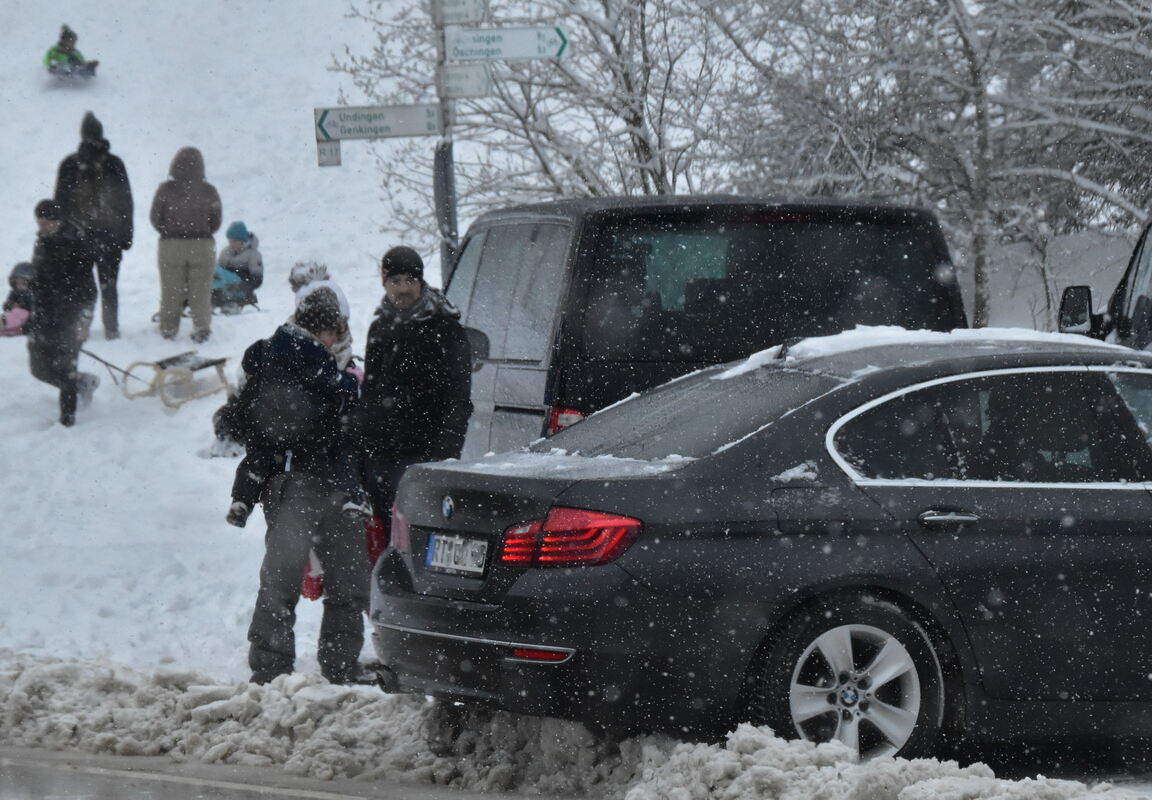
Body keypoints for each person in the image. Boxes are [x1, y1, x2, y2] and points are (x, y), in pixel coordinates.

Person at [234, 301, 370, 686]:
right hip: (309, 483)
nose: (338, 343)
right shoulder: (303, 365)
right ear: (324, 333)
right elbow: (317, 422)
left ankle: (273, 666)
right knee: (336, 578)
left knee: (288, 580)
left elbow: (248, 423)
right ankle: (335, 663)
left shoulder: (280, 365)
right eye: (336, 335)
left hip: (305, 482)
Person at [359, 246, 472, 527]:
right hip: (384, 457)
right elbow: (371, 395)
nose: (404, 289)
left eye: (411, 281)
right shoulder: (379, 330)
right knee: (387, 535)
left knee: (420, 532)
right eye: (396, 282)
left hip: (427, 452)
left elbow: (459, 396)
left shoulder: (445, 329)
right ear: (384, 282)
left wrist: (445, 451)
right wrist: (366, 452)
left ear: (421, 283)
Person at [54, 112, 134, 340]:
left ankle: (83, 327)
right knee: (108, 285)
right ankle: (110, 328)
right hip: (108, 236)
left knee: (82, 286)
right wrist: (126, 235)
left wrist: (63, 234)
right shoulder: (113, 163)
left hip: (81, 236)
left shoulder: (71, 164)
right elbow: (126, 203)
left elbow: (60, 203)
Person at [25, 200, 99, 427]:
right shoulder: (42, 241)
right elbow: (37, 279)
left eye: (47, 222)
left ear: (58, 221)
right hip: (44, 315)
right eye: (39, 222)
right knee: (39, 368)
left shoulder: (76, 244)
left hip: (71, 315)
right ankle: (82, 384)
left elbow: (89, 291)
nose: (42, 226)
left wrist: (83, 322)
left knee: (66, 367)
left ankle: (67, 421)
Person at [150, 147, 221, 342]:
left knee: (171, 290)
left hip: (171, 245)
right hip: (202, 245)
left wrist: (169, 231)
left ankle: (168, 329)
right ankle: (201, 328)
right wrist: (200, 232)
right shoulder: (209, 191)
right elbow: (216, 221)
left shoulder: (165, 190)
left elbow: (155, 218)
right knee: (201, 290)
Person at [288, 261, 352, 369]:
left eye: (339, 330)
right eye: (331, 332)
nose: (335, 337)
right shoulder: (295, 348)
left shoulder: (341, 336)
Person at [213, 221, 263, 313]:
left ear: (242, 239)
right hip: (225, 285)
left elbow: (257, 279)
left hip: (240, 285)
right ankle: (205, 300)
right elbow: (217, 270)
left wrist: (243, 287)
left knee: (218, 274)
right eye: (229, 241)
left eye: (234, 241)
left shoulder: (253, 254)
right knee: (211, 272)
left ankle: (229, 303)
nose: (231, 244)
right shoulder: (226, 251)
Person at [2, 262, 35, 336]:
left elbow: (35, 308)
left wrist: (24, 307)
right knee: (11, 315)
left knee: (21, 315)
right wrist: (10, 305)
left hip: (28, 319)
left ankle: (5, 324)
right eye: (17, 282)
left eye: (23, 283)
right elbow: (7, 306)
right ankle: (4, 324)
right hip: (14, 316)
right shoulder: (15, 292)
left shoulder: (33, 294)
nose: (20, 285)